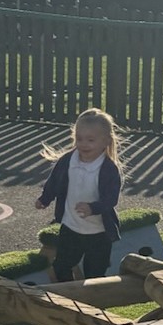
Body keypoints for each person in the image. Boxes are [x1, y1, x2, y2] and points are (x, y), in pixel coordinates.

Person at [35, 107, 125, 281]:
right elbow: (54, 181)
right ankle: (68, 297)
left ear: (106, 141)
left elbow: (110, 199)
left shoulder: (108, 169)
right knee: (61, 266)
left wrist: (93, 208)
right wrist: (45, 198)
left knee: (95, 273)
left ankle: (92, 303)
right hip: (71, 227)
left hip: (98, 232)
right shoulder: (68, 160)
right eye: (79, 139)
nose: (83, 144)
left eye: (90, 140)